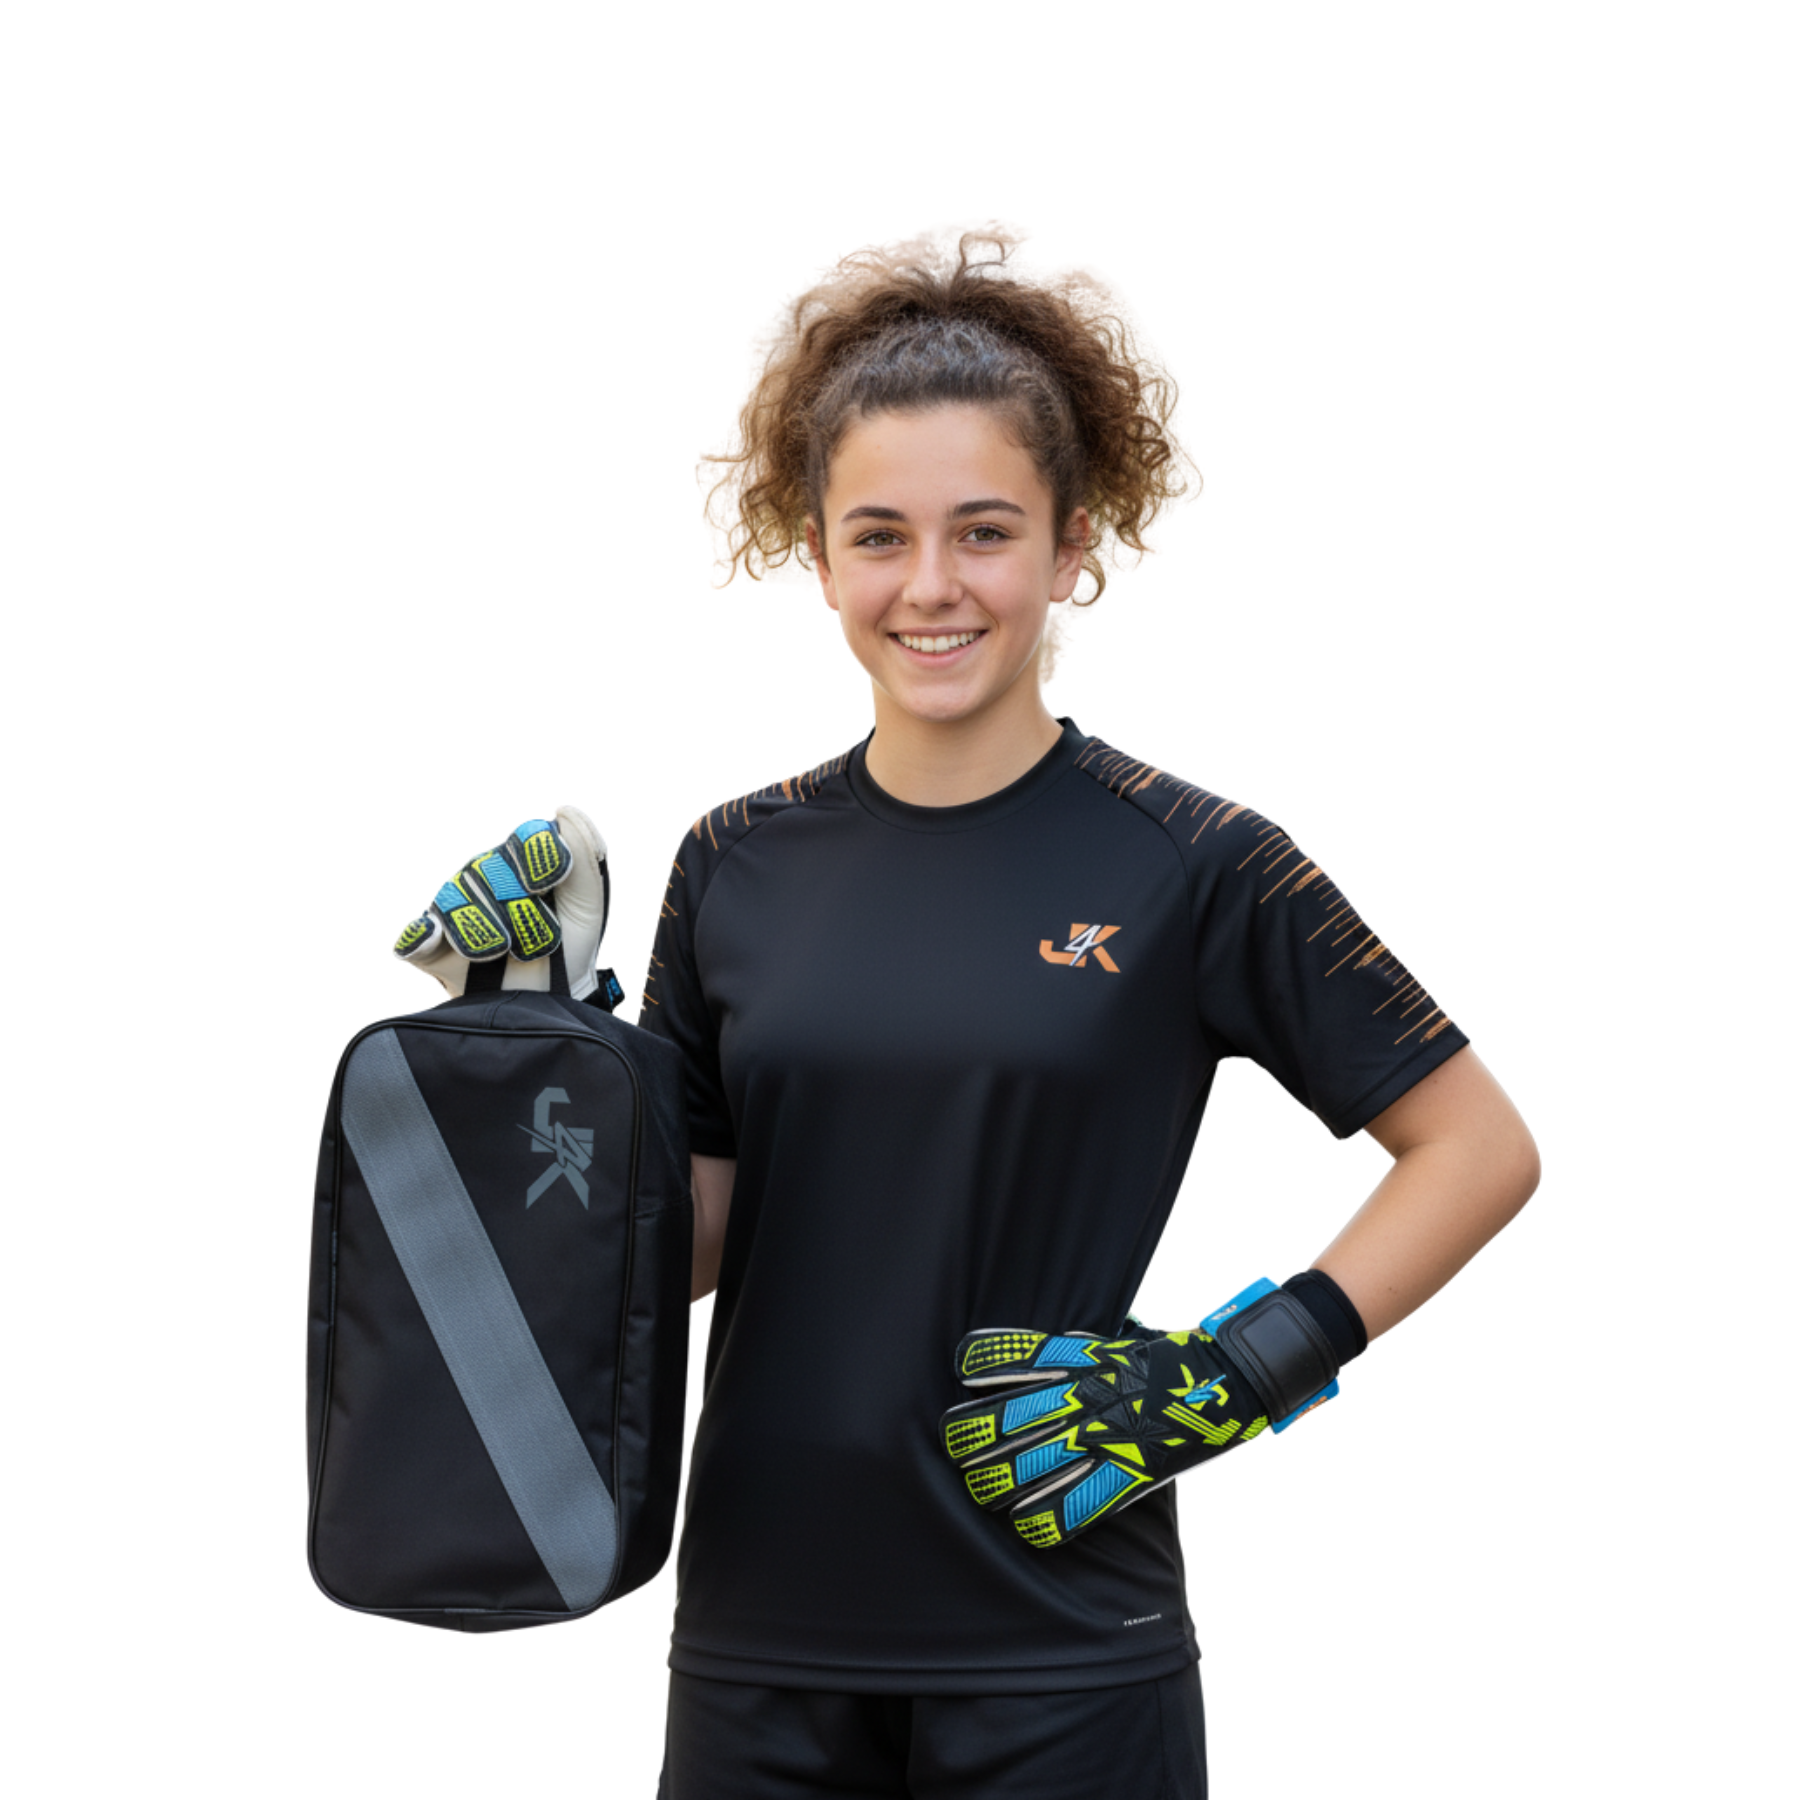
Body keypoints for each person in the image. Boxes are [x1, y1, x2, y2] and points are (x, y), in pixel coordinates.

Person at [401, 234, 1539, 1798]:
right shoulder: (733, 862)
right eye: (880, 536)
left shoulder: (1196, 862)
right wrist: (535, 1045)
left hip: (1062, 1642)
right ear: (817, 555)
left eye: (984, 533)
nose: (930, 586)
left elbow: (1477, 1147)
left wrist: (1228, 1376)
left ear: (1073, 546)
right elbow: (692, 1245)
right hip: (760, 1634)